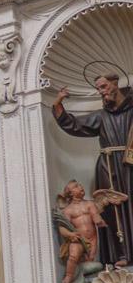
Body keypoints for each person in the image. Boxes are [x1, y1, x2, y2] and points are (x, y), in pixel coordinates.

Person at [53, 75, 133, 266]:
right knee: (112, 209)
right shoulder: (101, 116)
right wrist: (58, 104)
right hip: (108, 165)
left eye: (104, 86)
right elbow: (74, 125)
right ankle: (121, 254)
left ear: (116, 84)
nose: (101, 91)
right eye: (98, 89)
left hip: (130, 163)